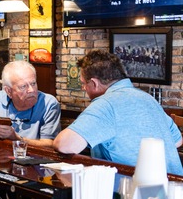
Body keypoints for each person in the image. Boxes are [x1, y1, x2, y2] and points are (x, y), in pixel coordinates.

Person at [54, 50, 183, 175]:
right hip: (175, 187)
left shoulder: (106, 104)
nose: (84, 88)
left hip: (136, 191)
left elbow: (64, 145)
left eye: (83, 83)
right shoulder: (148, 98)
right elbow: (177, 141)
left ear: (94, 83)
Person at [0, 60, 60, 148]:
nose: (31, 90)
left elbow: (50, 144)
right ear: (8, 91)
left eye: (33, 84)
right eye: (23, 86)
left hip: (33, 164)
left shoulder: (48, 103)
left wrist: (17, 139)